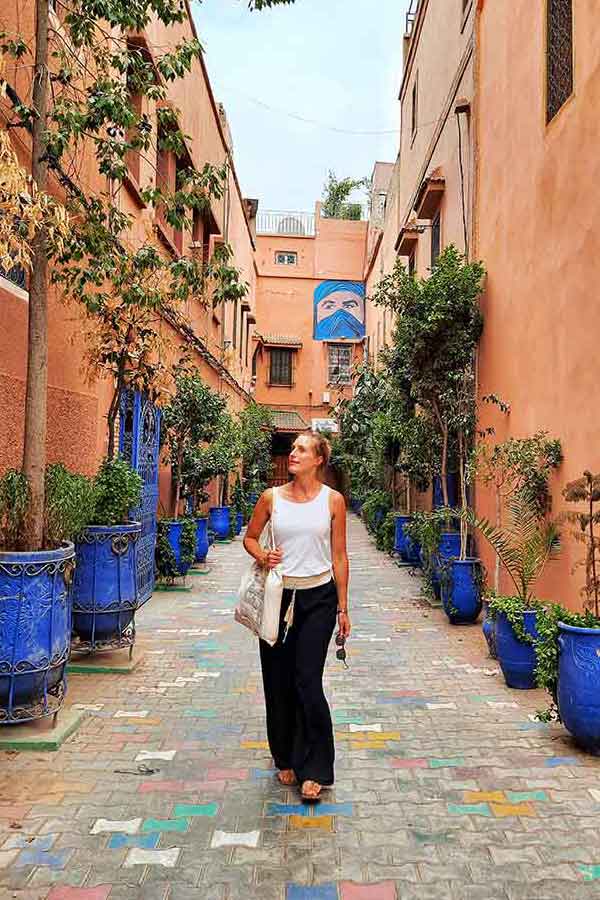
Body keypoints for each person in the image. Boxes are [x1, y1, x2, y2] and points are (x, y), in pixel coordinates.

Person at [243, 432, 351, 801]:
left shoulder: (333, 501)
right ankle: (285, 755)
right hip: (279, 596)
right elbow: (250, 538)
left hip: (318, 598)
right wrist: (262, 555)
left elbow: (339, 557)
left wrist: (343, 607)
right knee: (277, 679)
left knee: (307, 680)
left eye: (302, 449)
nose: (293, 453)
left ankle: (316, 767)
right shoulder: (271, 498)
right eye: (293, 449)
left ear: (318, 459)